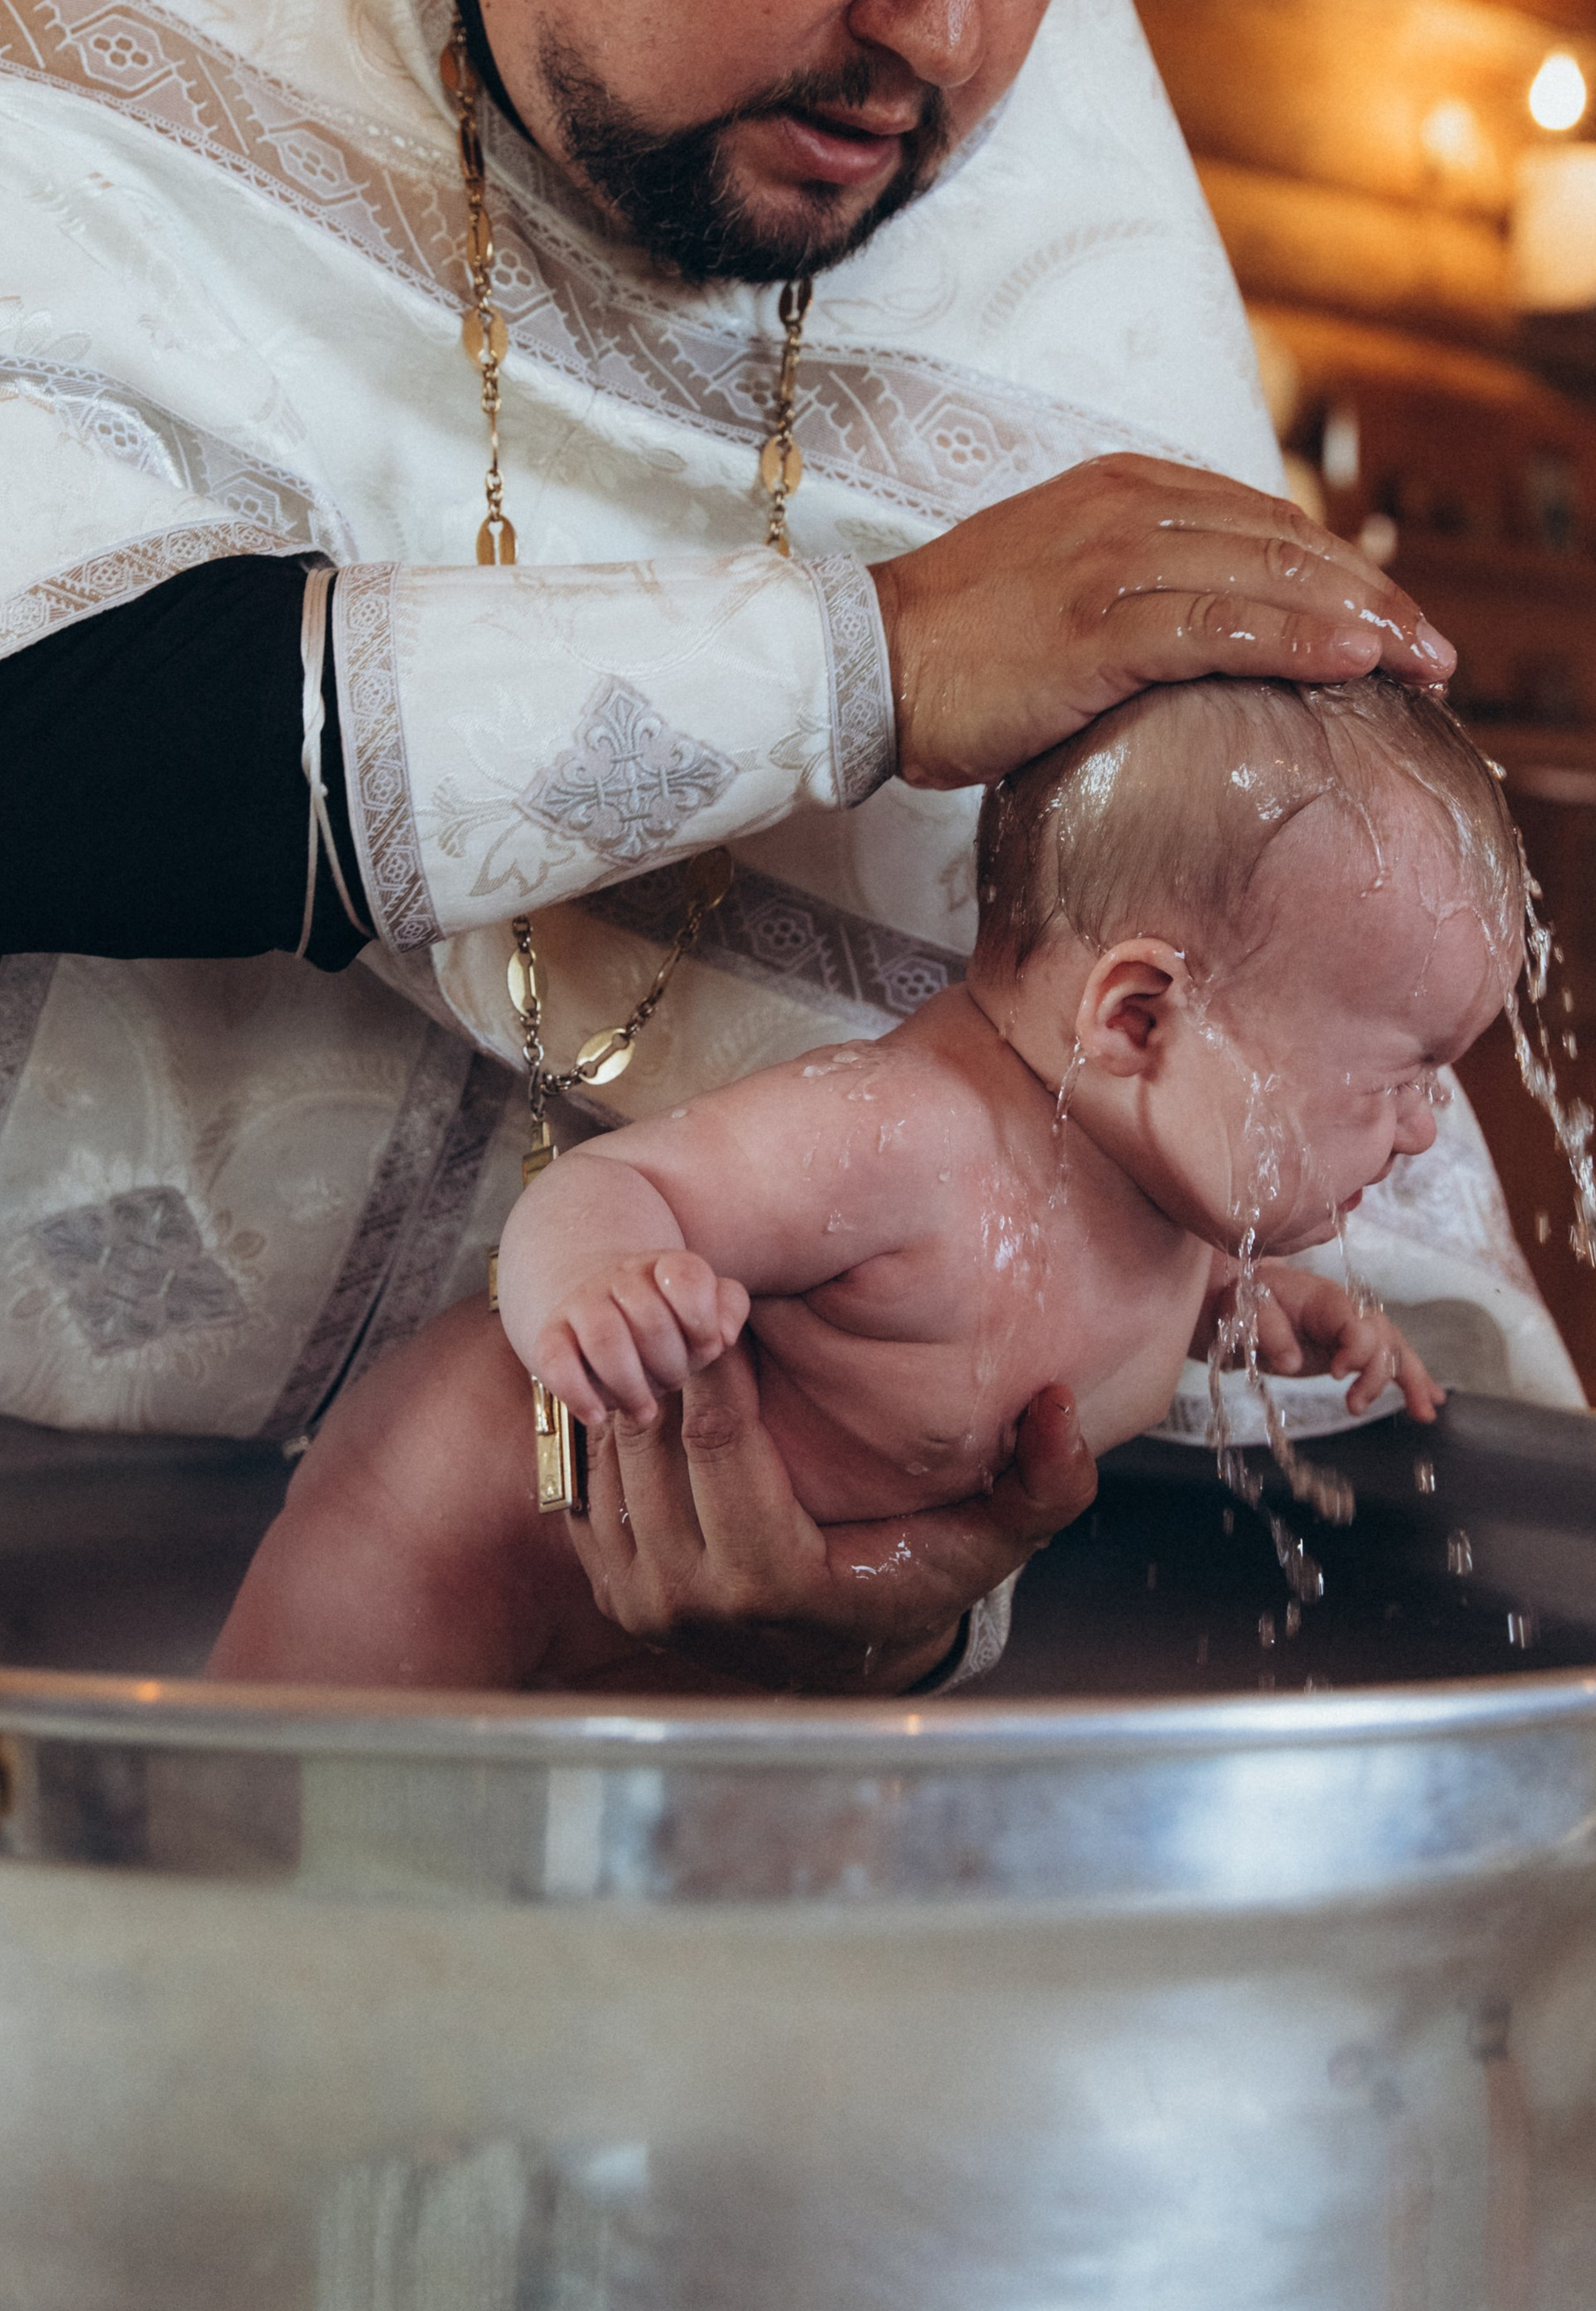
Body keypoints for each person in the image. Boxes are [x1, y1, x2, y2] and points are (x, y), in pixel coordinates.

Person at [0, 0, 1578, 1700]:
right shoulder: (73, 62)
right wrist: (864, 658)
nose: (949, 36)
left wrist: (972, 1503)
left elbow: (1254, 992)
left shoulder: (1064, 253)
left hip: (650, 1625)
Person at [211, 672, 1523, 1692]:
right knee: (285, 1828)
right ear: (1135, 1021)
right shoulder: (907, 1135)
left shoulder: (1169, 1204)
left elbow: (1098, 1315)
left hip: (726, 1633)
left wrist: (1259, 1315)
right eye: (1404, 1078)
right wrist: (597, 1293)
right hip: (457, 1523)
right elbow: (617, 1189)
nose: (1422, 1133)